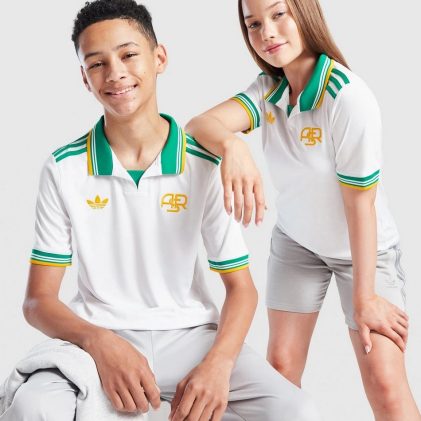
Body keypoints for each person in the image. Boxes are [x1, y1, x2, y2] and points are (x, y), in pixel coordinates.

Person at [0, 1, 322, 421]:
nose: (115, 73)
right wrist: (99, 341)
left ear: (159, 58)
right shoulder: (64, 168)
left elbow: (241, 289)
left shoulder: (202, 163)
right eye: (97, 63)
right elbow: (37, 301)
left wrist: (218, 364)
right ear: (84, 78)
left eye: (129, 54)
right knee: (33, 406)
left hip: (192, 339)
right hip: (97, 337)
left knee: (297, 411)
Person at [185, 0, 421, 419]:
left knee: (385, 384)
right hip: (298, 245)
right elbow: (199, 125)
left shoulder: (347, 97)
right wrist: (233, 145)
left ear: (304, 13)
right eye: (253, 24)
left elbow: (361, 205)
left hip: (363, 251)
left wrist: (365, 296)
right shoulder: (267, 90)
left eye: (279, 15)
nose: (267, 33)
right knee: (280, 372)